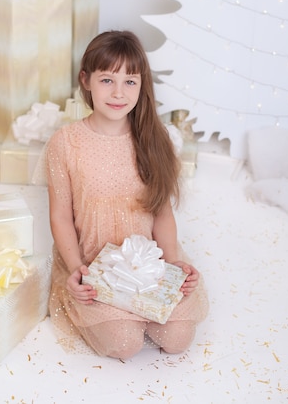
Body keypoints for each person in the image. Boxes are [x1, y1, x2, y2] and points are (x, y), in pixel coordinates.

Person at [46, 30, 208, 359]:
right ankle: (113, 314)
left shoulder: (152, 138)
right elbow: (60, 215)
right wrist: (77, 268)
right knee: (125, 344)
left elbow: (162, 212)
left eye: (130, 82)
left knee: (177, 338)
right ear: (86, 80)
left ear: (141, 85)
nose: (119, 93)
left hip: (148, 262)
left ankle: (146, 304)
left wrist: (173, 264)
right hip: (95, 264)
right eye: (107, 80)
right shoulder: (66, 143)